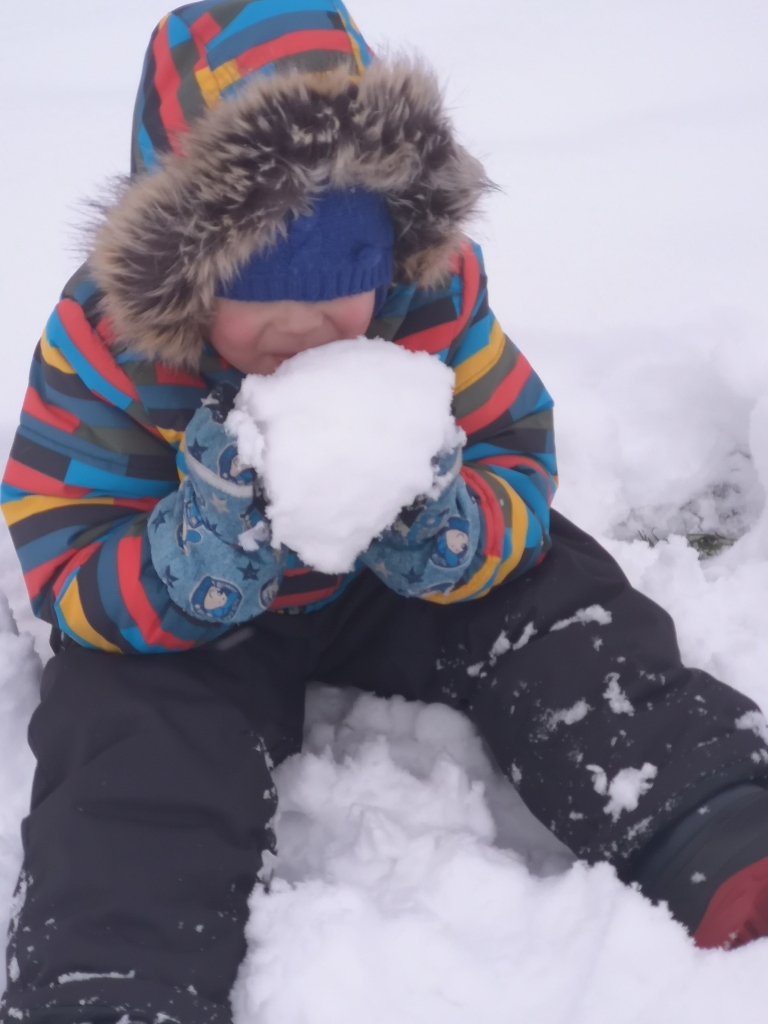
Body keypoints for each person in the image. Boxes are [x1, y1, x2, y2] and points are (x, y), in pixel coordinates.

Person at [3, 3, 768, 1021]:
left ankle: (706, 813)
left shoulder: (428, 300)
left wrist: (458, 527)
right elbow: (59, 541)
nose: (306, 326)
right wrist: (182, 568)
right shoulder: (107, 344)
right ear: (182, 262)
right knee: (127, 730)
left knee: (560, 595)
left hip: (390, 581)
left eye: (342, 280)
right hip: (194, 625)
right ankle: (112, 975)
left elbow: (518, 450)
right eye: (260, 287)